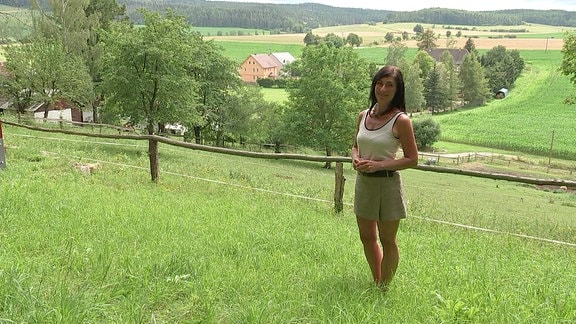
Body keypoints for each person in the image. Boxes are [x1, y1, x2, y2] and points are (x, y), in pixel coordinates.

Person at [351, 65, 418, 288]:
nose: (383, 88)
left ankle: (383, 288)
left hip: (388, 185)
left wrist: (379, 165)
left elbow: (412, 159)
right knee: (366, 237)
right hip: (364, 184)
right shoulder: (363, 116)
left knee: (387, 240)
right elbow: (354, 146)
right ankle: (377, 280)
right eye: (380, 83)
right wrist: (355, 158)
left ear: (398, 89)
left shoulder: (401, 121)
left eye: (390, 84)